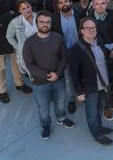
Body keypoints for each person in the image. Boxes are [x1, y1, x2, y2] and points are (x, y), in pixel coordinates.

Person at [22, 11, 73, 139]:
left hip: (59, 79)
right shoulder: (29, 42)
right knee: (43, 107)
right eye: (42, 22)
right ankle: (45, 125)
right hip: (40, 82)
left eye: (48, 22)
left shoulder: (58, 37)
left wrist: (58, 73)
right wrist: (47, 75)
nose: (45, 24)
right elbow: (29, 65)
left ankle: (61, 118)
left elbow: (64, 57)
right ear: (36, 23)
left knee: (61, 102)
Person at [69, 17, 113, 146]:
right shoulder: (75, 49)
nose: (91, 30)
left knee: (100, 108)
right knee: (91, 112)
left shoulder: (99, 41)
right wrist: (79, 92)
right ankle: (97, 134)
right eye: (87, 28)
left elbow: (103, 60)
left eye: (93, 28)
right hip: (89, 87)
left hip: (103, 84)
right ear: (81, 31)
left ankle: (99, 127)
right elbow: (74, 73)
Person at [52, 0, 84, 114]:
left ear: (71, 2)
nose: (63, 4)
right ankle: (71, 99)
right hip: (65, 55)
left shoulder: (80, 15)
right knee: (69, 79)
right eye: (60, 3)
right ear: (58, 6)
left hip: (81, 52)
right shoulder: (54, 20)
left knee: (84, 75)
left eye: (66, 1)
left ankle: (84, 94)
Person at [6, 1, 37, 83]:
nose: (27, 9)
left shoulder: (39, 17)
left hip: (42, 48)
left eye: (28, 6)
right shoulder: (15, 22)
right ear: (20, 11)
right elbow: (9, 37)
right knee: (33, 73)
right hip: (28, 51)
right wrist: (18, 47)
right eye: (23, 8)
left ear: (31, 6)